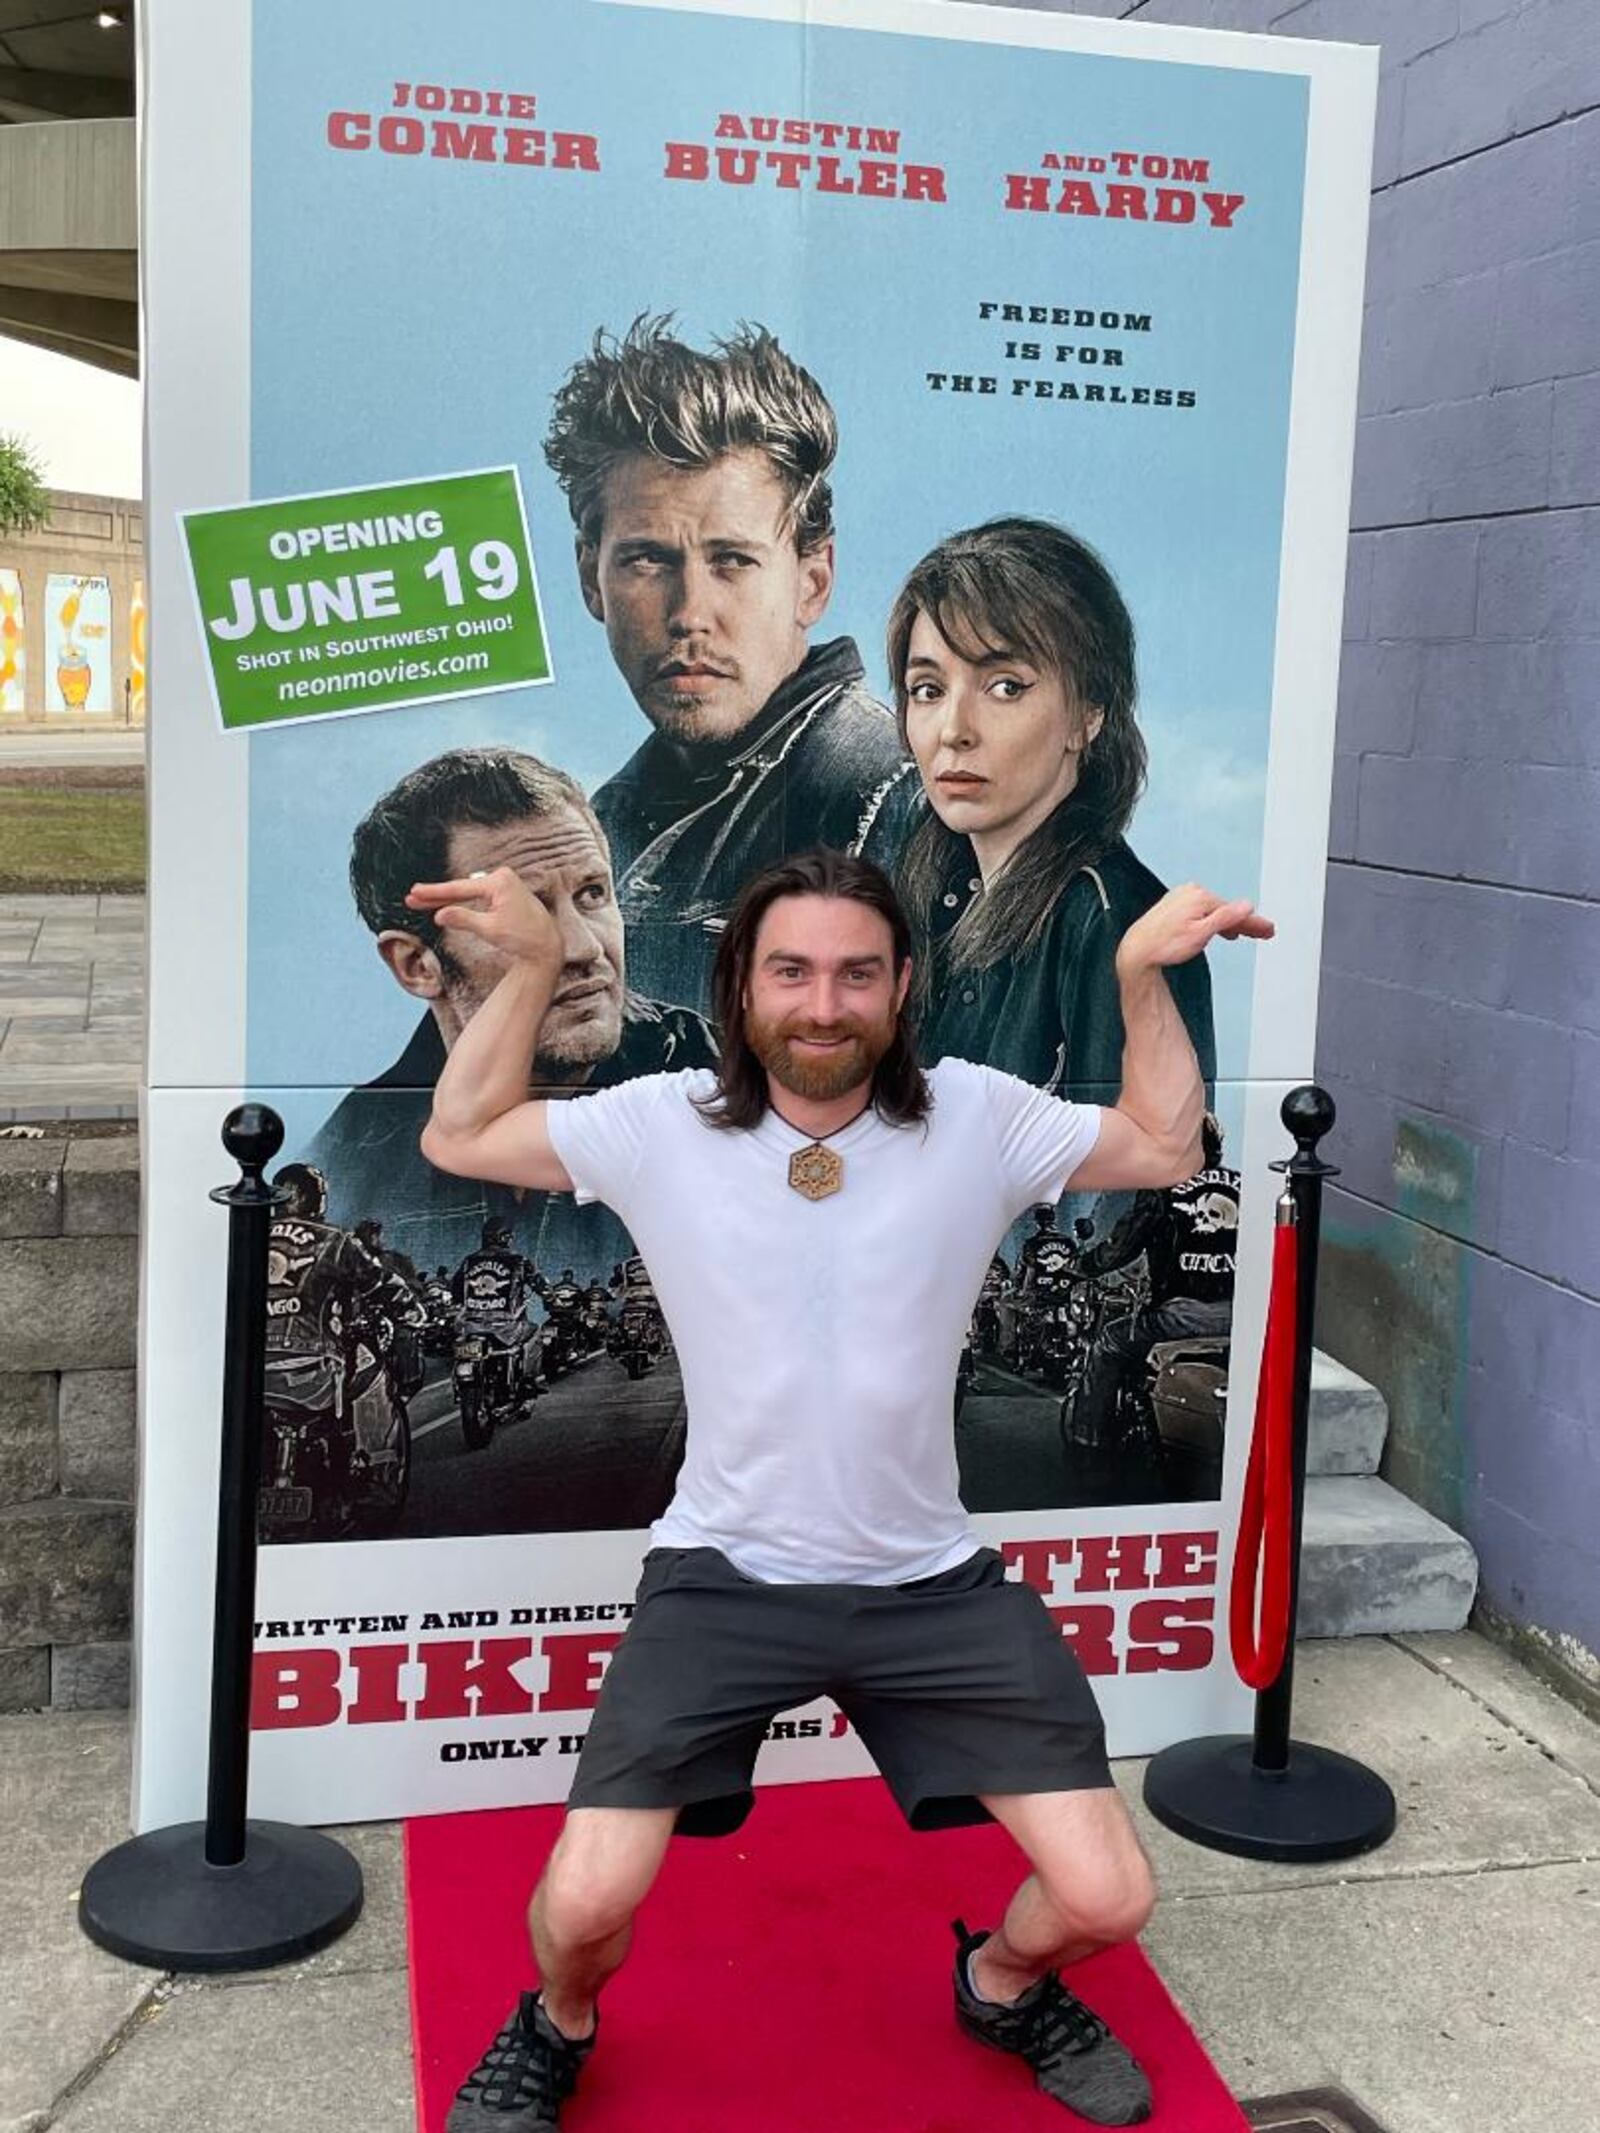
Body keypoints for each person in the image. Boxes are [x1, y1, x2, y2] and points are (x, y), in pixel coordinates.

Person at [412, 843, 1272, 2129]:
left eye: (857, 974)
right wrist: (532, 966)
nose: (824, 1005)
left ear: (901, 985)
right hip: (722, 1580)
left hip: (928, 1583)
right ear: (740, 987)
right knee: (584, 1907)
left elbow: (1160, 1144)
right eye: (793, 972)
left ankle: (1002, 1982)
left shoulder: (975, 1117)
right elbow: (461, 1130)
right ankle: (559, 2023)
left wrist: (1140, 975)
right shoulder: (663, 1125)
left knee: (1106, 1900)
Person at [543, 315, 918, 1015]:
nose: (690, 611)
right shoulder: (594, 828)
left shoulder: (893, 795)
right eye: (647, 560)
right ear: (591, 580)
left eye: (733, 561)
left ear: (813, 580)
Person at [303, 747, 716, 1278]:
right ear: (416, 966)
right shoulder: (349, 1162)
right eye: (519, 915)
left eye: (592, 893)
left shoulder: (723, 1082)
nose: (583, 948)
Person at [890, 516, 1216, 1099]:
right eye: (928, 690)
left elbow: (1137, 1179)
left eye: (1005, 687)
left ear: (1089, 713)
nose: (953, 730)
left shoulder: (1115, 922)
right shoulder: (932, 890)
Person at [1071, 1114, 1239, 1449]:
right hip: (1239, 1315)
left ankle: (1087, 1442)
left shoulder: (1161, 1191)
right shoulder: (1242, 1184)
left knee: (1108, 1342)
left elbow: (1120, 1248)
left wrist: (1081, 1267)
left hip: (1180, 1316)